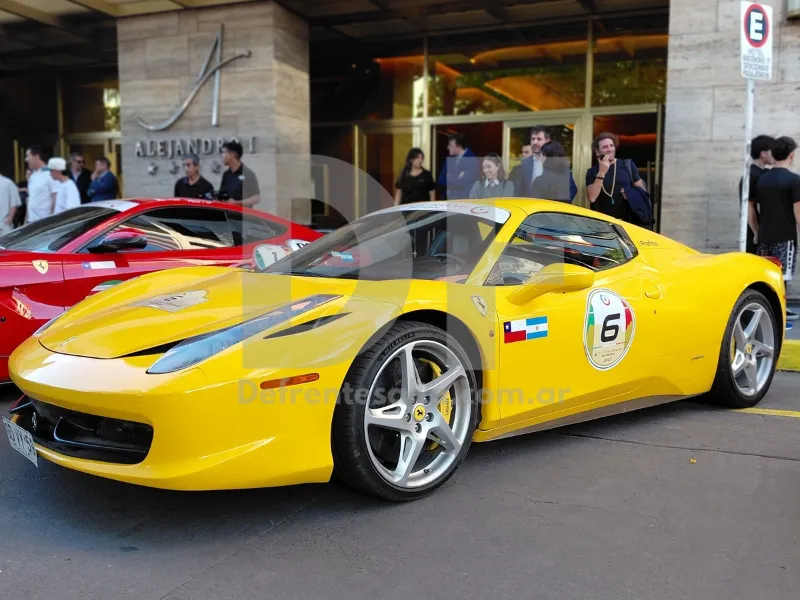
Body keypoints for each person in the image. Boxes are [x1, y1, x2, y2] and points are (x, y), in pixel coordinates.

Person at [753, 136, 800, 322]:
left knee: (766, 277)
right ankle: (777, 317)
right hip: (785, 236)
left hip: (764, 235)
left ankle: (768, 314)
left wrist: (756, 231)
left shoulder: (762, 179)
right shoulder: (794, 180)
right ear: (792, 155)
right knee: (782, 278)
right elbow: (798, 211)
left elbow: (753, 207)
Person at [585, 132, 647, 223]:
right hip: (602, 222)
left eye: (611, 145)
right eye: (605, 147)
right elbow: (592, 198)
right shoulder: (592, 171)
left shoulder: (627, 165)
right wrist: (602, 172)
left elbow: (642, 192)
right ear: (597, 151)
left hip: (628, 220)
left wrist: (631, 195)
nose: (609, 149)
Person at [518, 127, 577, 201]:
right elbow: (573, 190)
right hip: (561, 210)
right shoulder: (565, 173)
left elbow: (536, 200)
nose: (535, 142)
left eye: (539, 139)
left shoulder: (540, 180)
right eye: (533, 139)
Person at [742, 135, 776, 254]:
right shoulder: (752, 175)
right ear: (763, 153)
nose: (775, 154)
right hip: (754, 234)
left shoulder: (763, 173)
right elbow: (748, 206)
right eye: (772, 151)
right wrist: (756, 232)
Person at [436, 133, 478, 199]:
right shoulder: (449, 158)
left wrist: (450, 178)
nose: (448, 147)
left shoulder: (471, 159)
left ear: (458, 146)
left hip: (464, 200)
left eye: (451, 145)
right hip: (448, 199)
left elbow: (465, 184)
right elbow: (441, 180)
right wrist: (456, 178)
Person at [219, 141, 260, 207]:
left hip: (243, 216)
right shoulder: (226, 175)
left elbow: (256, 198)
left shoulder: (247, 173)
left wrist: (237, 203)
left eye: (223, 152)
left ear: (232, 154)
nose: (221, 155)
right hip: (228, 215)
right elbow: (222, 196)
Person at [24, 146, 58, 223]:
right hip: (31, 221)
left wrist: (51, 221)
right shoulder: (32, 176)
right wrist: (25, 222)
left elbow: (55, 197)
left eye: (28, 156)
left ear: (36, 156)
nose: (26, 159)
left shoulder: (51, 173)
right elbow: (31, 199)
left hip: (44, 222)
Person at [0, 169, 21, 236]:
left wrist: (9, 219)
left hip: (4, 224)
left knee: (5, 245)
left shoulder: (8, 182)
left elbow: (14, 203)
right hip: (5, 223)